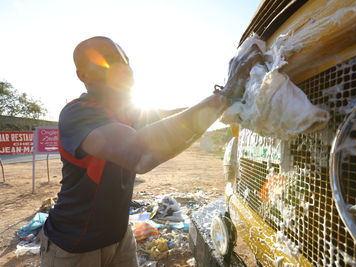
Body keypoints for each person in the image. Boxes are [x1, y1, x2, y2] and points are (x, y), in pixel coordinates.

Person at [40, 36, 263, 266]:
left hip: (119, 236)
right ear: (83, 75)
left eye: (125, 59)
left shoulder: (128, 113)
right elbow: (140, 154)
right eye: (108, 59)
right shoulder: (78, 113)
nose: (123, 66)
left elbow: (172, 116)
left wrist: (227, 99)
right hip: (74, 246)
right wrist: (224, 97)